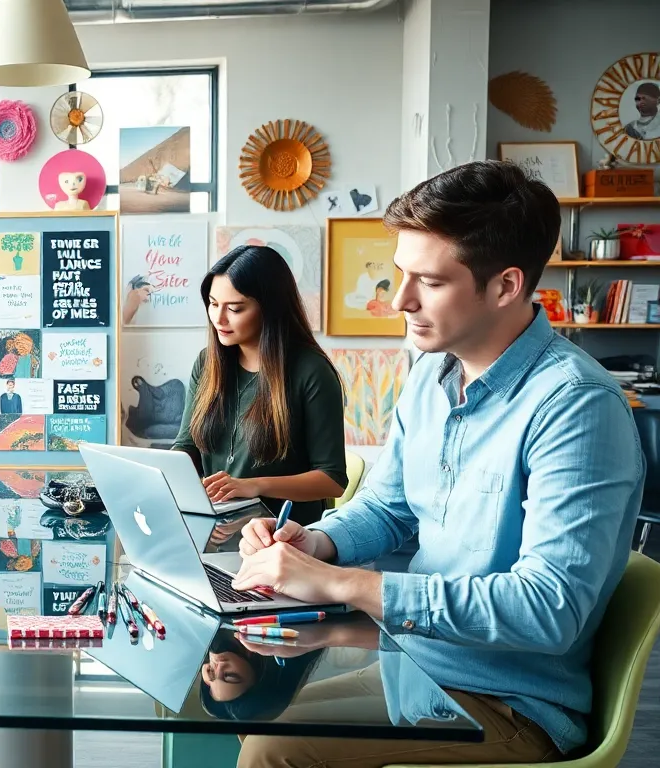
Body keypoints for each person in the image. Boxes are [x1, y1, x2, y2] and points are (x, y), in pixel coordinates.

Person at [232, 161, 644, 767]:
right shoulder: (431, 374)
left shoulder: (577, 406)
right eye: (401, 273)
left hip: (510, 703)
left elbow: (548, 610)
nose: (400, 300)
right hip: (417, 668)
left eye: (429, 281)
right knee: (256, 719)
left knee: (274, 752)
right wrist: (314, 545)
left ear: (505, 286)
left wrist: (344, 585)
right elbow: (391, 508)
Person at [170, 245, 348, 526]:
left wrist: (252, 485)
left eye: (235, 308)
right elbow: (187, 446)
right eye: (214, 303)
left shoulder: (311, 372)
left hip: (284, 538)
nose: (219, 318)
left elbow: (332, 480)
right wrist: (165, 475)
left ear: (270, 307)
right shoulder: (207, 364)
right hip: (215, 529)